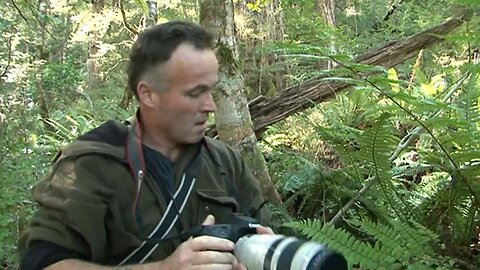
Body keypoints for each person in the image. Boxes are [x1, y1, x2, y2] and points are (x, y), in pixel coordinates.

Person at [19, 20, 272, 270]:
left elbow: (267, 232)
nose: (210, 106)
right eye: (195, 93)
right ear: (148, 94)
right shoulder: (91, 165)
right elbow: (43, 262)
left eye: (211, 91)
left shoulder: (224, 161)